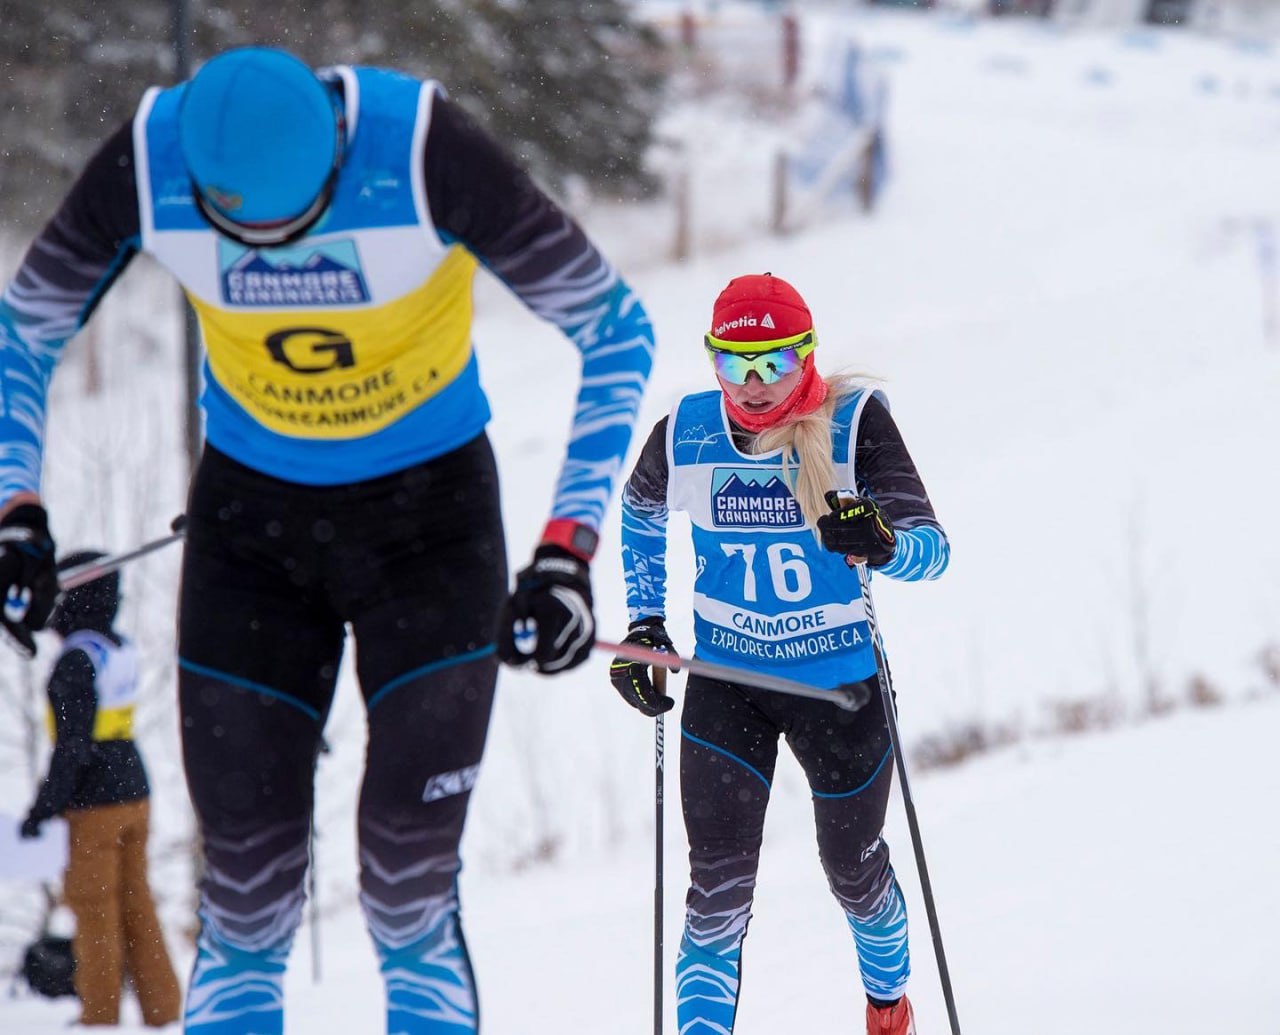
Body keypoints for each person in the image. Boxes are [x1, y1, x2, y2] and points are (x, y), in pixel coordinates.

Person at [0, 46, 655, 1035]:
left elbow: (614, 329)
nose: (268, 260)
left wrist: (567, 552)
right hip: (253, 538)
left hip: (429, 530)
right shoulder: (150, 156)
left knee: (405, 886)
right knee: (246, 900)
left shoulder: (423, 148)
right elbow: (26, 325)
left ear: (337, 161)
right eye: (241, 240)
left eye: (288, 231)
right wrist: (16, 513)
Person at [610, 273, 948, 1035]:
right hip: (728, 685)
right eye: (734, 364)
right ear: (711, 361)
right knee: (717, 892)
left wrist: (885, 543)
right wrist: (644, 624)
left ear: (807, 356)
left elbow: (934, 551)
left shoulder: (856, 425)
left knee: (855, 873)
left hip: (839, 690)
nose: (754, 385)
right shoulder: (687, 432)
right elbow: (638, 510)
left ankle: (889, 1005)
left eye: (774, 363)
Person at [20, 552, 182, 1027]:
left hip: (94, 802)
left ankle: (99, 1014)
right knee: (137, 903)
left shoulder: (75, 660)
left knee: (94, 908)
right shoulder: (117, 647)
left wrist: (44, 807)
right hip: (136, 789)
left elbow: (72, 745)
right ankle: (163, 1008)